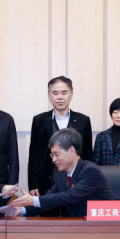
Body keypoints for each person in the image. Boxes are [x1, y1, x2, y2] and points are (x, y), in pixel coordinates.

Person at [28, 76, 93, 216]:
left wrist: (86, 182)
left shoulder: (83, 120)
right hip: (47, 182)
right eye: (55, 93)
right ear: (49, 96)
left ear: (71, 94)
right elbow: (34, 156)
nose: (60, 97)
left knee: (74, 221)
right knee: (48, 224)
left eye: (64, 92)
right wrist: (33, 184)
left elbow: (87, 155)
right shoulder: (39, 120)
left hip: (76, 183)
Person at [12, 128, 113, 217]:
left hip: (101, 226)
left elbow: (71, 196)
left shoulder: (91, 171)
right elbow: (48, 199)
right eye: (52, 155)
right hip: (74, 226)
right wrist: (21, 210)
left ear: (72, 151)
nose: (54, 160)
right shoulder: (62, 174)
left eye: (57, 154)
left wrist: (33, 200)